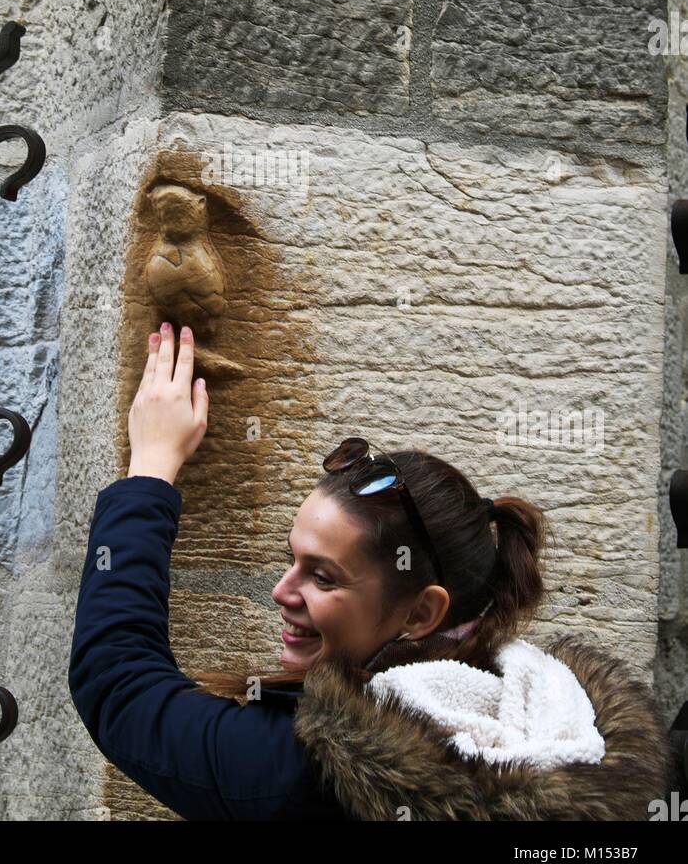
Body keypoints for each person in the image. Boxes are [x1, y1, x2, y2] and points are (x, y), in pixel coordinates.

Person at [68, 322, 677, 820]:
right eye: (291, 560)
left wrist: (150, 468)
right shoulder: (561, 725)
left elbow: (118, 685)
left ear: (422, 612)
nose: (282, 592)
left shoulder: (314, 778)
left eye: (323, 577)